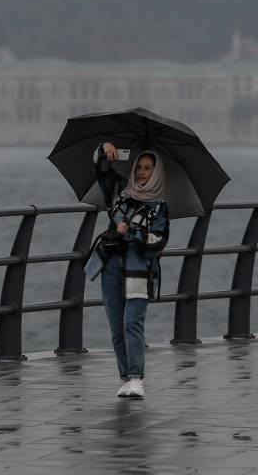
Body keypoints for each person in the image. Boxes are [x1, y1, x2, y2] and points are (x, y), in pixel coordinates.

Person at [90, 141, 169, 399]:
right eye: (139, 168)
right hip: (111, 266)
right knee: (115, 326)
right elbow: (101, 170)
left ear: (156, 173)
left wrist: (131, 231)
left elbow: (158, 241)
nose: (142, 173)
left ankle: (137, 378)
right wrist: (104, 149)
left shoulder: (159, 207)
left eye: (148, 168)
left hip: (139, 270)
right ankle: (124, 378)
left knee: (131, 323)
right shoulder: (120, 193)